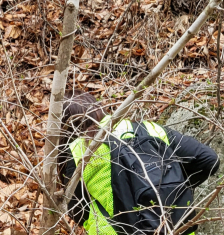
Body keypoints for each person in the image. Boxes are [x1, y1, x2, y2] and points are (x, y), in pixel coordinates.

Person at [60, 92, 220, 235]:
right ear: (99, 109)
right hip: (175, 227)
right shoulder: (150, 129)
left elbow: (78, 212)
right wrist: (176, 188)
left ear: (64, 126)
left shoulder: (78, 150)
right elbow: (208, 160)